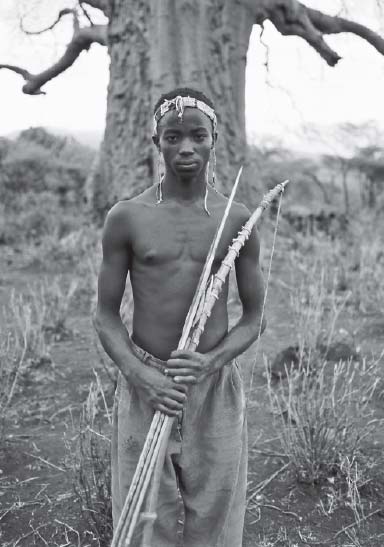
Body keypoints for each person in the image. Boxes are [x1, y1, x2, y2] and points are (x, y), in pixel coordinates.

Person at [94, 87, 266, 547]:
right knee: (144, 523)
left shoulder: (239, 221)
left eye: (197, 136)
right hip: (146, 381)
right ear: (157, 142)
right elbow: (105, 316)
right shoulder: (127, 217)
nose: (185, 147)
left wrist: (211, 362)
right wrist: (139, 375)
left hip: (214, 385)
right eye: (173, 137)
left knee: (217, 516)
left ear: (215, 140)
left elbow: (254, 319)